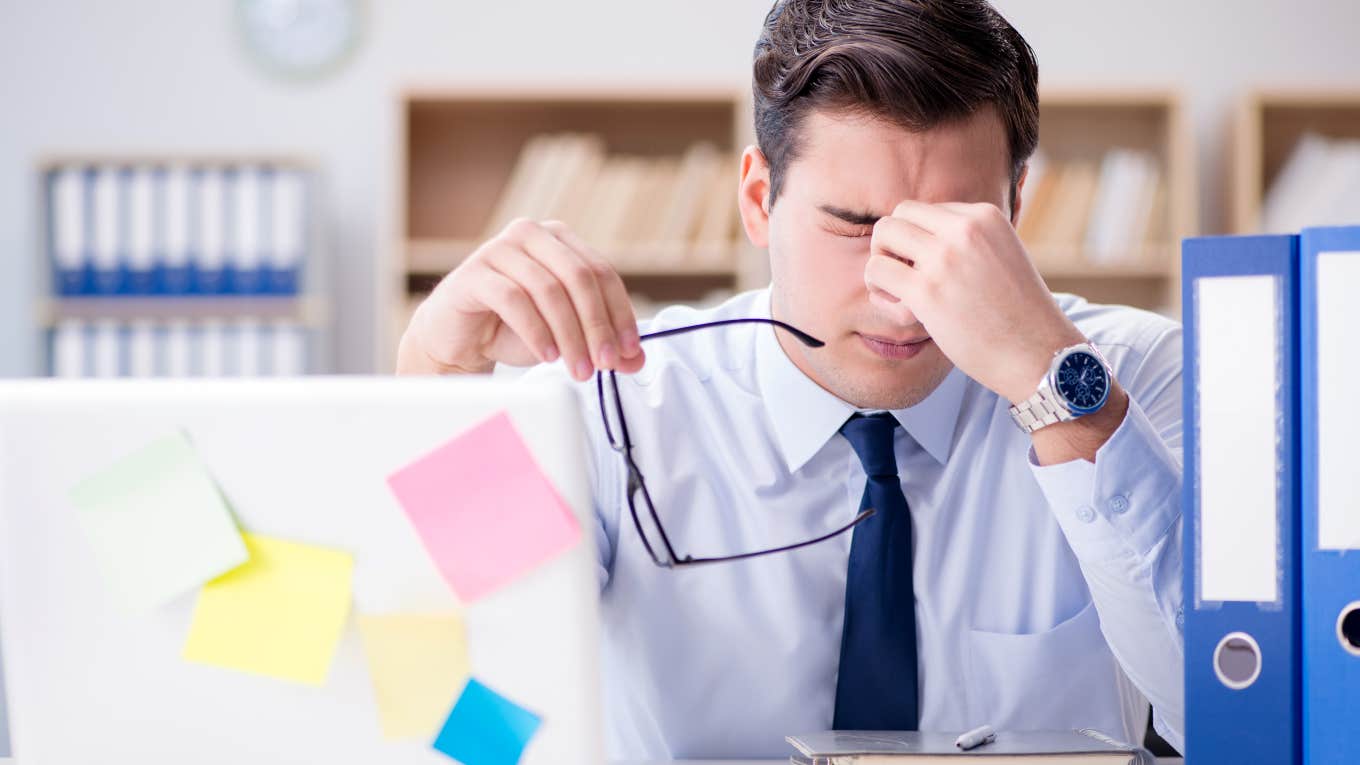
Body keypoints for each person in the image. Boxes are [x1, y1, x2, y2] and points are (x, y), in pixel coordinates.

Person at [397, 0, 1184, 759]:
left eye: (955, 236)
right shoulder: (614, 405)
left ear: (1015, 207)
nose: (898, 288)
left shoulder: (1137, 378)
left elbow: (1231, 713)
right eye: (853, 224)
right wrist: (435, 384)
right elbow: (458, 700)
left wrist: (1057, 383)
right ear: (757, 201)